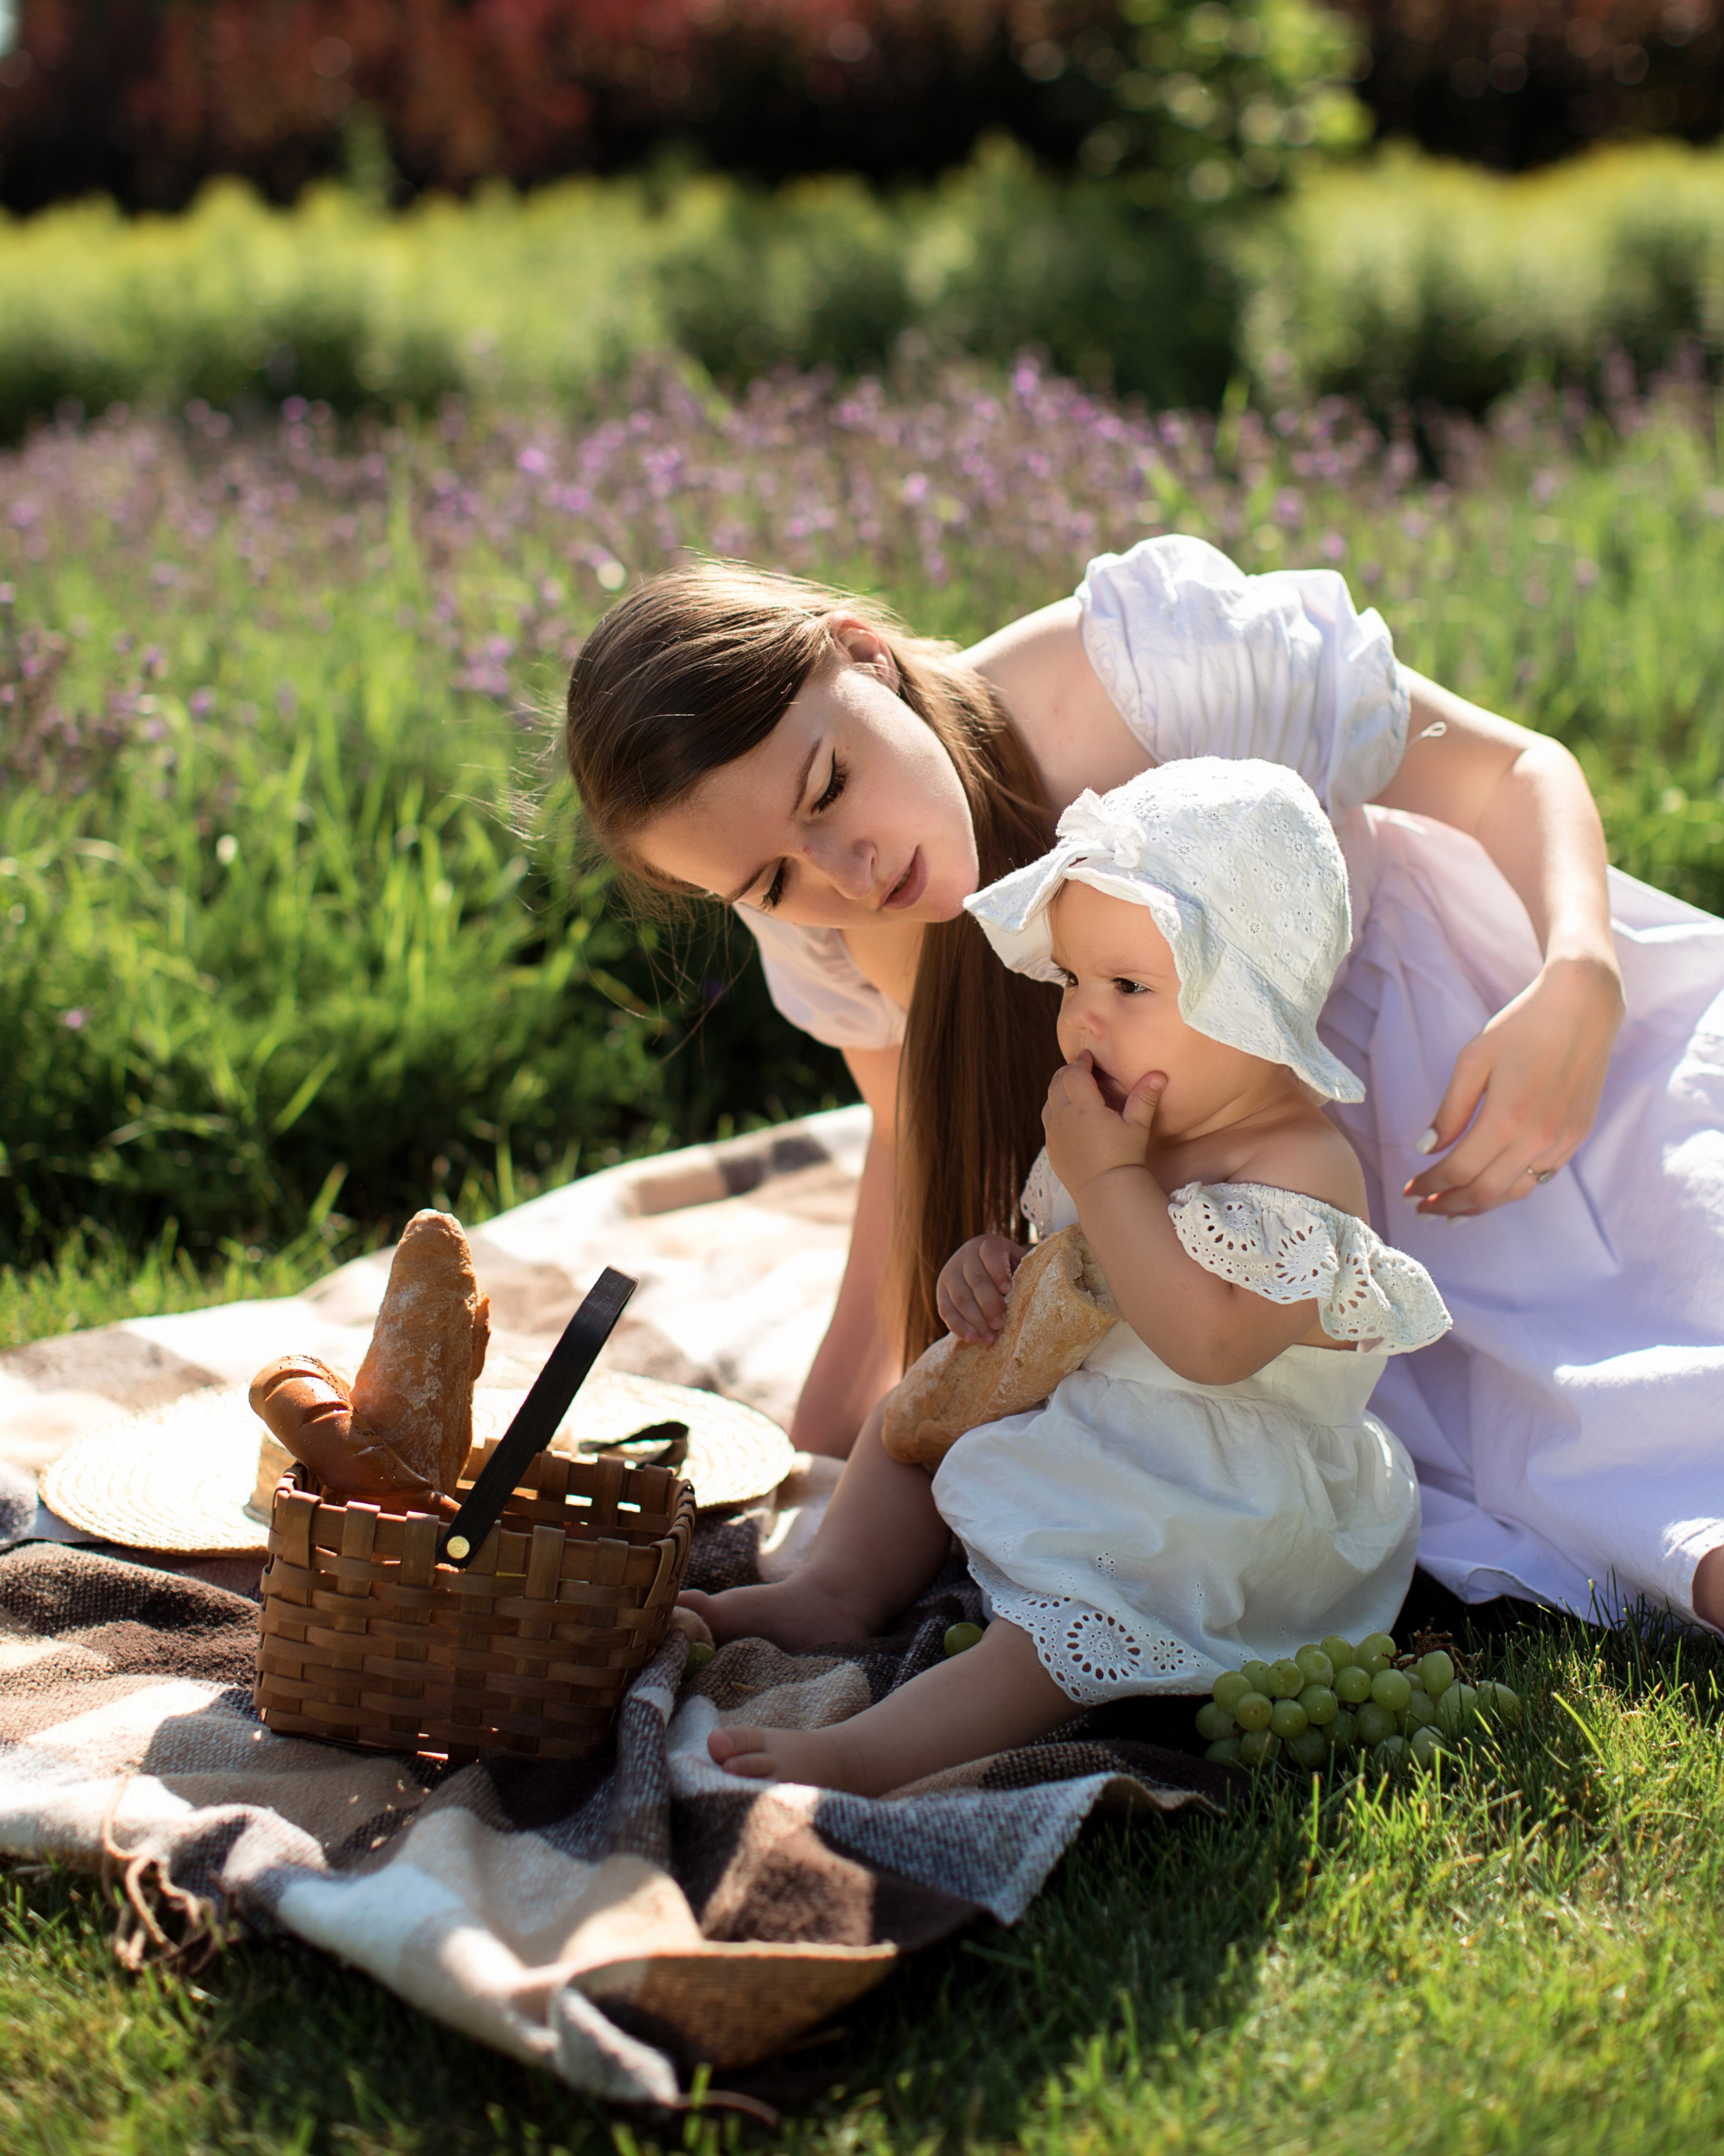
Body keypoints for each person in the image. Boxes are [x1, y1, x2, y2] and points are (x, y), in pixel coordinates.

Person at [563, 539, 1724, 1635]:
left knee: (1658, 1391)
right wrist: (816, 1441)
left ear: (863, 656)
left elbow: (1509, 769)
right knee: (1520, 1474)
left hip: (1486, 1053)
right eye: (771, 880)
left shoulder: (1144, 669)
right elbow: (909, 1138)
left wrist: (1579, 971)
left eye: (828, 788)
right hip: (1246, 1237)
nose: (845, 874)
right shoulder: (820, 926)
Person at [676, 761, 1451, 1794]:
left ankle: (873, 1750)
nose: (1084, 1017)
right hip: (1098, 1428)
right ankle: (833, 1590)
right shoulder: (1122, 1127)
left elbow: (1208, 1343)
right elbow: (1071, 1273)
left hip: (1223, 1502)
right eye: (1074, 980)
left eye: (1128, 987)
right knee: (915, 1417)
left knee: (1065, 1619)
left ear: (1252, 998)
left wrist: (1111, 1178)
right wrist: (988, 1268)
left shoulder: (1301, 1166)